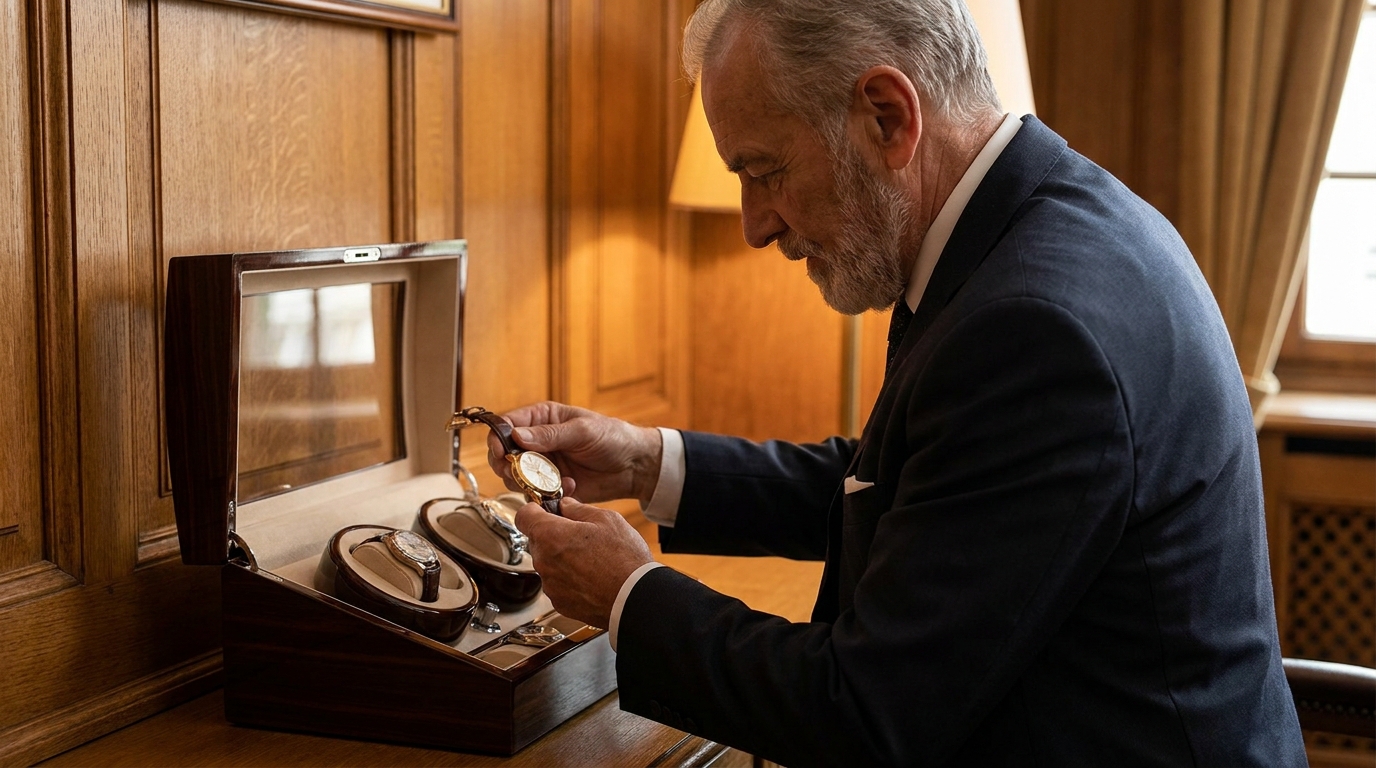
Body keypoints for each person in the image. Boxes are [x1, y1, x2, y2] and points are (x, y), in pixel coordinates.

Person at [491, 1, 1307, 764]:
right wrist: (645, 463)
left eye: (765, 170)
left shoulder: (1033, 323)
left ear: (888, 115)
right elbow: (921, 489)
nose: (755, 224)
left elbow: (868, 713)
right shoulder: (1031, 227)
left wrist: (630, 596)